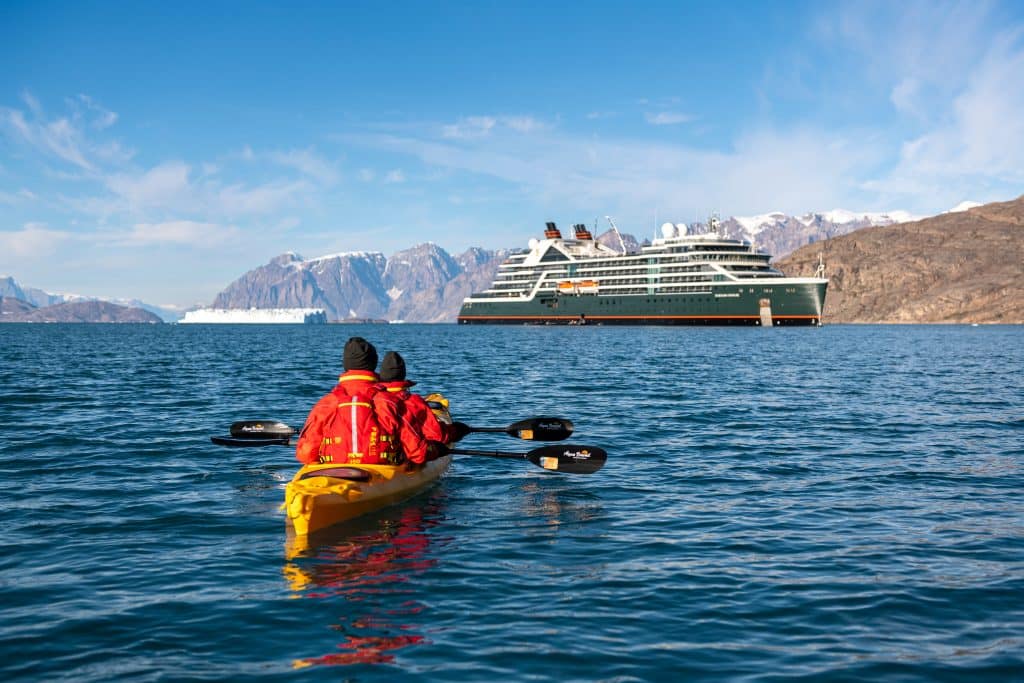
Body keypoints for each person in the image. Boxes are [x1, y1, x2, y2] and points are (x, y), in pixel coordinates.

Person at [295, 337, 402, 465]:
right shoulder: (388, 401)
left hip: (334, 469)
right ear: (373, 365)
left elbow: (305, 454)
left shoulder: (326, 403)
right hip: (381, 470)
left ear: (346, 365)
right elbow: (416, 452)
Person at [376, 351, 470, 464]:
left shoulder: (370, 398)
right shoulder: (412, 402)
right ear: (403, 376)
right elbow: (438, 435)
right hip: (404, 460)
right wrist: (456, 431)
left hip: (371, 457)